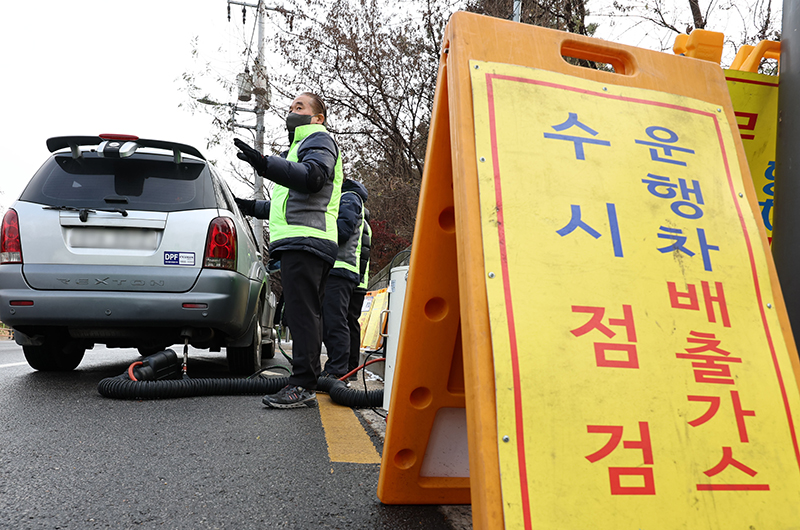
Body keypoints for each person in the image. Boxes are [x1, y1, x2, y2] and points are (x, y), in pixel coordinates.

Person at [233, 92, 342, 409]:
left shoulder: (317, 138)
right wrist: (248, 207)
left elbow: (313, 178)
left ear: (317, 117)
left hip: (307, 240)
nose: (292, 111)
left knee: (302, 312)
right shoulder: (298, 148)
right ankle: (305, 380)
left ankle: (302, 385)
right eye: (291, 106)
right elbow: (286, 205)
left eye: (300, 106)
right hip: (304, 239)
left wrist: (265, 164)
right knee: (304, 312)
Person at [320, 179, 368, 380]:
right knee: (347, 322)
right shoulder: (363, 218)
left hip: (341, 270)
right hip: (354, 277)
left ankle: (337, 369)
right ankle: (348, 369)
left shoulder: (349, 200)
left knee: (334, 321)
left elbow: (342, 231)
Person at [346, 209, 371, 379]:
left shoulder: (361, 225)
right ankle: (351, 367)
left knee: (347, 322)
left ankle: (350, 367)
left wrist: (357, 277)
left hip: (354, 281)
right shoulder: (366, 227)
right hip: (360, 282)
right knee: (351, 323)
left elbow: (362, 255)